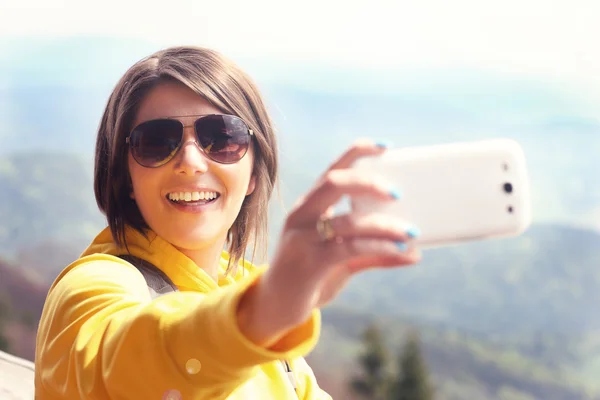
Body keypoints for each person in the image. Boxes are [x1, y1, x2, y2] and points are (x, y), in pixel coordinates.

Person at [34, 46, 421, 399]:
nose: (191, 160)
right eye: (155, 142)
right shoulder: (94, 285)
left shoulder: (250, 299)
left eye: (222, 138)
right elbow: (118, 368)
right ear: (125, 178)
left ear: (254, 172)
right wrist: (266, 310)